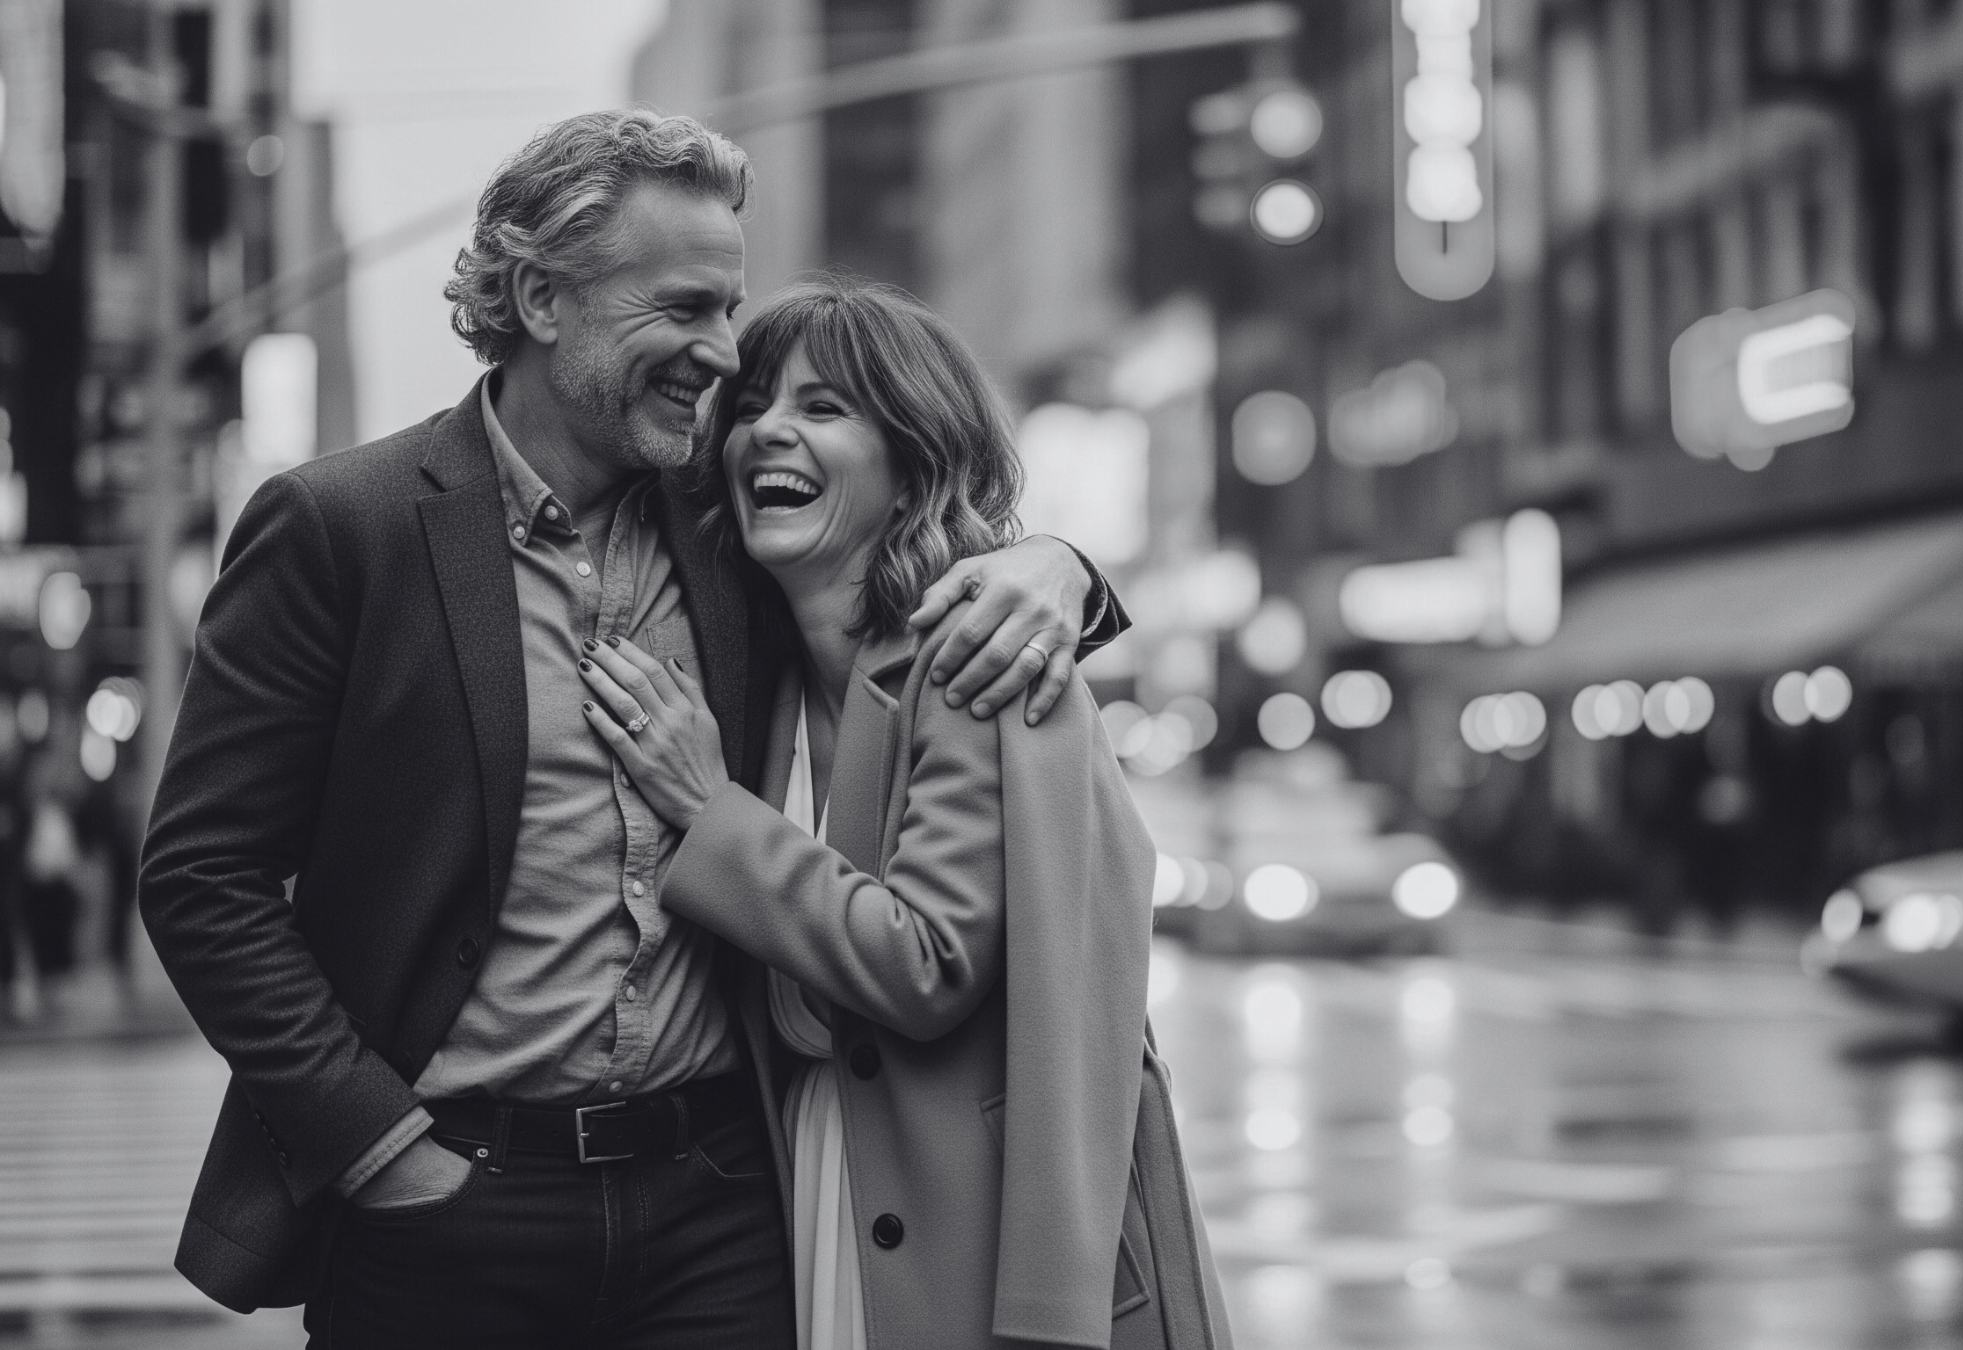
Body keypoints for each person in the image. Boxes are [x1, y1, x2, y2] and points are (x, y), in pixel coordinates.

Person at [139, 110, 1124, 1346]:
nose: (724, 355)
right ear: (544, 298)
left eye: (731, 308)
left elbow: (905, 540)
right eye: (685, 307)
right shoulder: (345, 529)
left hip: (718, 1208)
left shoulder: (729, 523)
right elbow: (202, 877)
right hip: (450, 1212)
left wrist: (1063, 567)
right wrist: (378, 1147)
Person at [575, 277, 1229, 1348]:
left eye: (825, 409)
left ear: (913, 463)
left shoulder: (974, 662)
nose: (769, 432)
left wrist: (708, 808)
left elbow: (924, 964)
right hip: (808, 1184)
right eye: (751, 409)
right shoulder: (755, 678)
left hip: (973, 1222)